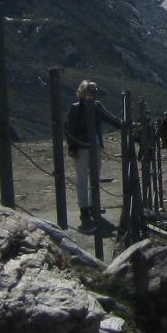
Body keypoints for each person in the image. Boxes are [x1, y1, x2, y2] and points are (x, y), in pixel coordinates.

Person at [64, 80, 121, 232]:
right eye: (91, 91)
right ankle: (84, 208)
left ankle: (93, 204)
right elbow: (70, 129)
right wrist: (72, 147)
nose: (94, 93)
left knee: (94, 177)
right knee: (82, 177)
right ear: (83, 92)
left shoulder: (97, 106)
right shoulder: (76, 108)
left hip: (95, 146)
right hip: (81, 147)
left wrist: (124, 124)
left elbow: (110, 118)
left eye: (95, 91)